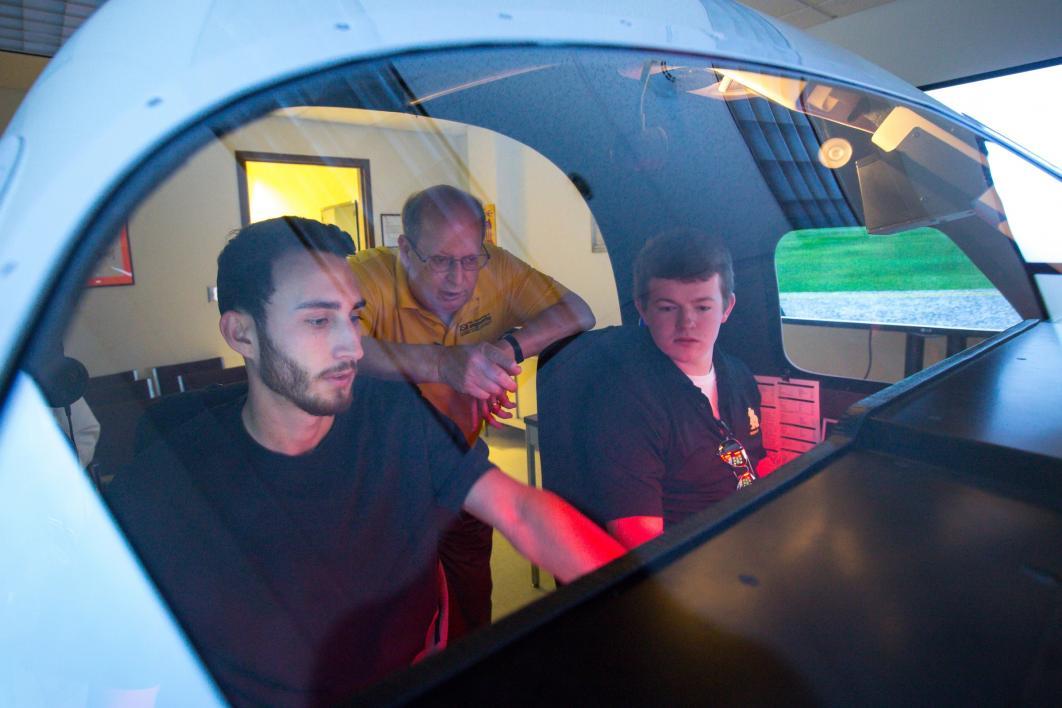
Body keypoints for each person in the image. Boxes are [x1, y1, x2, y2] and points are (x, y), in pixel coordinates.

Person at [105, 217, 623, 705]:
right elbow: (127, 681)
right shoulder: (167, 485)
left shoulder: (393, 416)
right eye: (316, 319)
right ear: (241, 334)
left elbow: (520, 511)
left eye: (352, 317)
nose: (351, 346)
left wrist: (645, 590)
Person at [349, 185, 596, 635]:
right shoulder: (366, 277)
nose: (458, 279)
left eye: (469, 260)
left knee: (472, 602)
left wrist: (504, 350)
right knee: (397, 622)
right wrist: (443, 363)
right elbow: (336, 347)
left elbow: (578, 312)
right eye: (440, 260)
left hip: (460, 465)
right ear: (405, 250)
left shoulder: (495, 267)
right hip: (379, 477)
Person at [541, 230, 769, 550]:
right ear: (643, 310)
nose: (686, 323)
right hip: (690, 560)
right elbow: (641, 543)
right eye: (667, 308)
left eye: (702, 307)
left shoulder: (739, 376)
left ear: (727, 307)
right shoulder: (627, 403)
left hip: (745, 536)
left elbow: (754, 464)